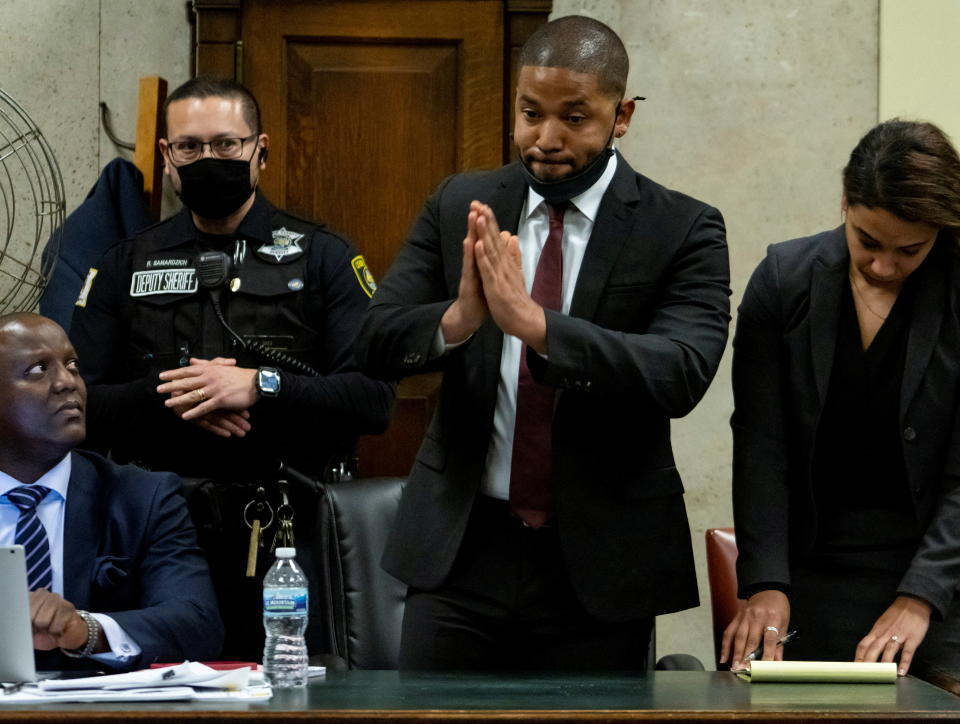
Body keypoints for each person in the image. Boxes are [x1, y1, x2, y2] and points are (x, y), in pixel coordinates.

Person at [354, 16, 730, 670]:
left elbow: (681, 371)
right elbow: (373, 340)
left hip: (600, 565)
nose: (545, 139)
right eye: (531, 113)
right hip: (461, 552)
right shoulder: (461, 205)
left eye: (575, 118)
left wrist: (539, 329)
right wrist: (461, 319)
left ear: (623, 116)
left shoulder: (683, 227)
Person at [723, 119, 960, 676]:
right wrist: (767, 584)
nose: (883, 266)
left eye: (909, 250)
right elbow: (762, 447)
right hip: (811, 571)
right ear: (845, 204)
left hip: (942, 578)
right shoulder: (784, 282)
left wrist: (921, 596)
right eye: (867, 242)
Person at [70, 76, 394, 481]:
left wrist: (263, 385)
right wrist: (175, 395)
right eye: (189, 147)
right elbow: (74, 403)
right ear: (166, 157)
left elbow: (374, 401)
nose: (208, 159)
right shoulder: (124, 263)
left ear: (261, 150)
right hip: (159, 511)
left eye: (226, 144)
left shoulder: (326, 257)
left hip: (292, 507)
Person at [0, 312, 222, 671]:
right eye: (38, 370)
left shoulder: (141, 497)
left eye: (72, 365)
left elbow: (196, 624)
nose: (67, 382)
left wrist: (85, 630)